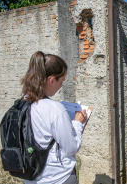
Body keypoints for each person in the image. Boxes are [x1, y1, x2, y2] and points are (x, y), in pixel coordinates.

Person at [21, 51, 87, 184]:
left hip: (30, 178)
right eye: (61, 81)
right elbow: (71, 147)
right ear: (52, 80)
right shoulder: (55, 109)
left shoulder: (22, 102)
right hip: (58, 178)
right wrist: (78, 123)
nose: (62, 85)